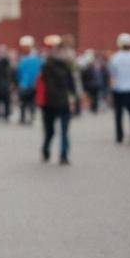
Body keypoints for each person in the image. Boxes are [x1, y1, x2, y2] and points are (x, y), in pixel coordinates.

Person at [38, 36, 76, 164]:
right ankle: (63, 155)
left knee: (49, 130)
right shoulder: (67, 67)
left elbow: (40, 83)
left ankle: (46, 149)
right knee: (65, 131)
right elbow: (72, 86)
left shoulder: (46, 66)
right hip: (63, 101)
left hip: (48, 102)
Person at [15, 35, 41, 124]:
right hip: (31, 83)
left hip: (25, 84)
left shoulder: (23, 59)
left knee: (25, 102)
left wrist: (17, 82)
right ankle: (30, 116)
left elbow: (18, 72)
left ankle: (24, 117)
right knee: (30, 102)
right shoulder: (37, 59)